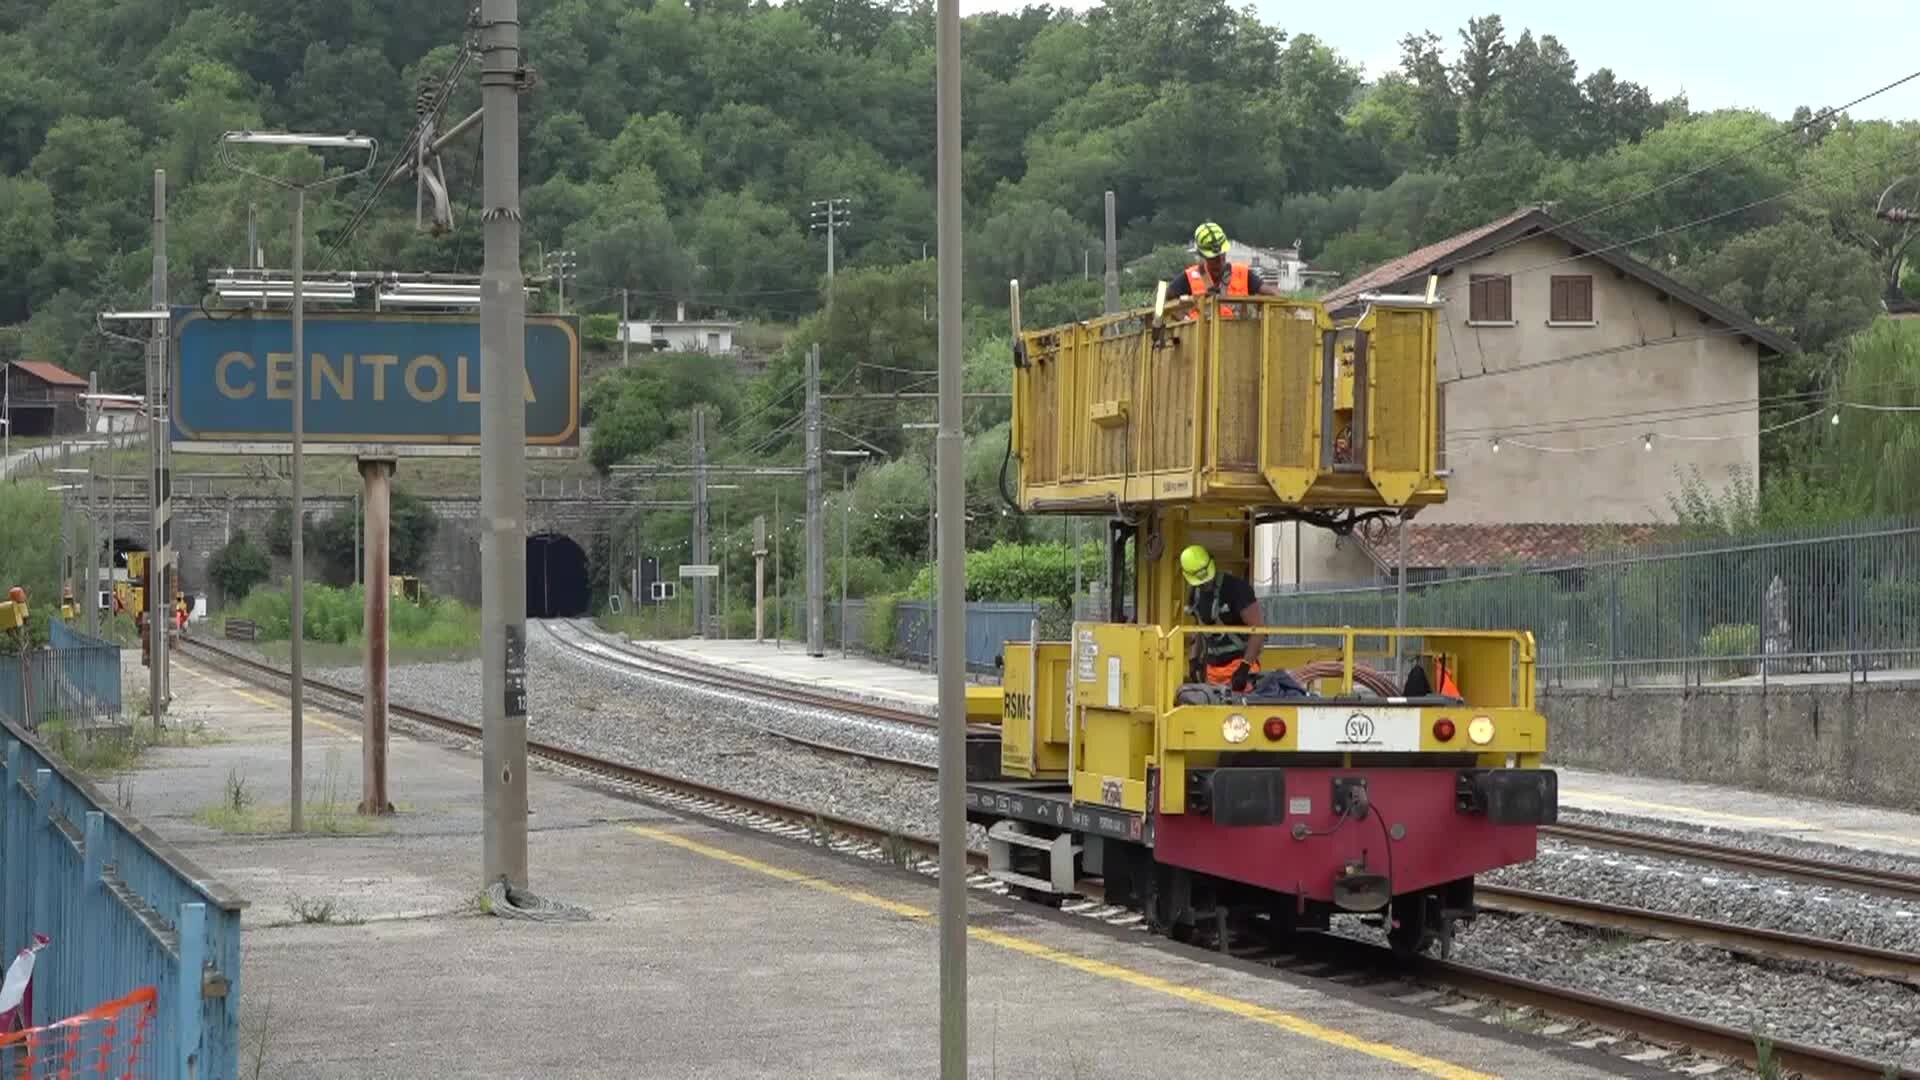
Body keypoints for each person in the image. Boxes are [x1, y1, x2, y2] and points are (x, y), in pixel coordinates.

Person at [1180, 544, 1266, 688]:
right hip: (1212, 672)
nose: (1205, 583)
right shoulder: (1195, 594)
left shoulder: (1236, 589)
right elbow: (1199, 628)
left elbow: (1259, 631)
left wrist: (1244, 668)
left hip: (1240, 668)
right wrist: (1193, 660)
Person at [1164, 221, 1277, 319]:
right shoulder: (1190, 278)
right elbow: (1166, 300)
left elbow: (1272, 295)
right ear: (1203, 255)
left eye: (1222, 255)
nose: (1219, 260)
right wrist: (1185, 318)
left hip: (1239, 338)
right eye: (1213, 258)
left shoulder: (1242, 274)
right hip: (1201, 341)